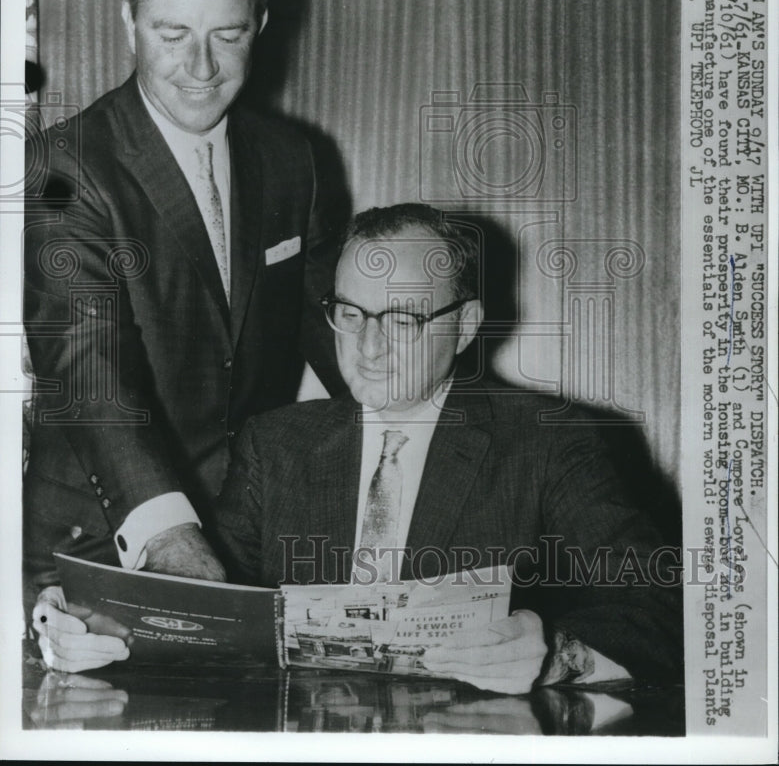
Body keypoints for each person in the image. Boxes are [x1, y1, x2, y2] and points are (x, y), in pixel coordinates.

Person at [33, 204, 683, 694]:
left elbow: (663, 603)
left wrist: (557, 657)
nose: (366, 347)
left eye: (400, 319)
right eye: (349, 313)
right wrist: (86, 622)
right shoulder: (277, 444)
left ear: (464, 325)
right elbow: (210, 608)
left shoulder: (551, 444)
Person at [24, 0, 344, 621]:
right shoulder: (61, 167)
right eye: (173, 34)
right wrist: (169, 537)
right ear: (128, 21)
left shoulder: (294, 161)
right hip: (104, 550)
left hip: (246, 543)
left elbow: (343, 338)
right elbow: (87, 367)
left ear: (258, 25)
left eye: (227, 34)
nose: (201, 67)